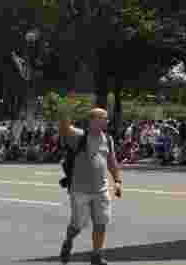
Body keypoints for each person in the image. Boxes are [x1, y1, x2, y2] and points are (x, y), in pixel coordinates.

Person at [58, 108, 123, 265]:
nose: (107, 121)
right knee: (78, 226)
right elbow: (64, 129)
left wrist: (118, 181)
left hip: (101, 189)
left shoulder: (107, 139)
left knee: (101, 224)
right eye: (104, 118)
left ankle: (96, 256)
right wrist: (64, 111)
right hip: (80, 190)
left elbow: (112, 162)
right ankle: (68, 241)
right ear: (93, 120)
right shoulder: (79, 136)